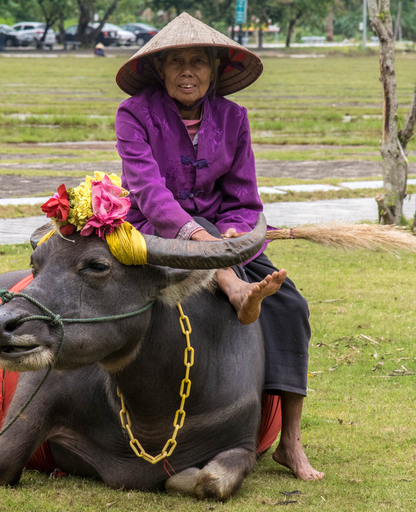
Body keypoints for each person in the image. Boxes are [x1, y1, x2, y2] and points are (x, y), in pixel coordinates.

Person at [114, 13, 324, 481]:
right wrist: (196, 235)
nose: (186, 71)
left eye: (197, 62)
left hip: (224, 236)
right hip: (155, 227)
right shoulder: (134, 115)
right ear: (160, 70)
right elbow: (147, 190)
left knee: (290, 304)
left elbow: (244, 197)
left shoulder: (234, 119)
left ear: (214, 70)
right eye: (176, 62)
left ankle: (290, 442)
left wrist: (230, 233)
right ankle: (235, 291)